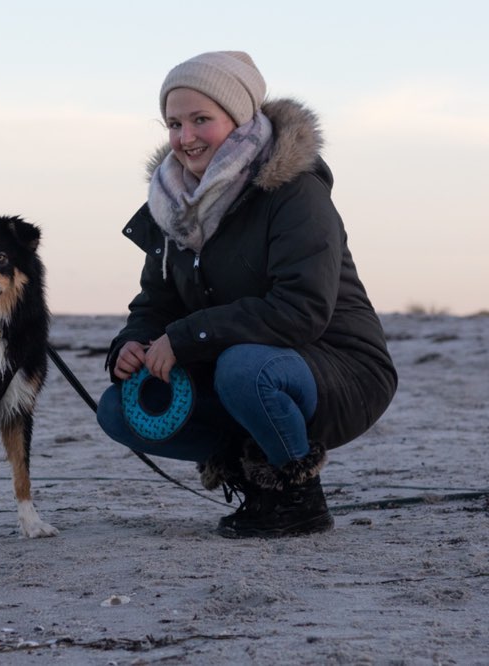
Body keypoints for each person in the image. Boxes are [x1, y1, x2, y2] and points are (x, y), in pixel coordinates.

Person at [97, 51, 398, 538]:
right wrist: (133, 343)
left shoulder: (293, 191)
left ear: (237, 120)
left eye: (201, 120)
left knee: (244, 369)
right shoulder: (172, 205)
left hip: (338, 366)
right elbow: (155, 303)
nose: (185, 137)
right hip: (234, 363)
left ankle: (298, 496)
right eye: (174, 123)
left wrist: (186, 338)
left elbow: (302, 311)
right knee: (119, 409)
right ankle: (253, 481)